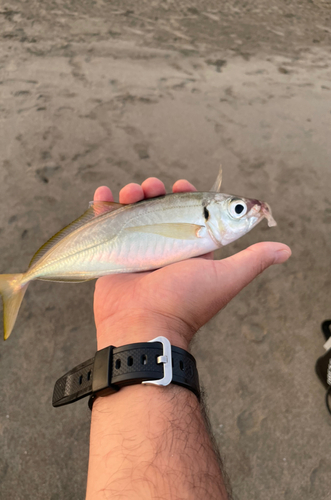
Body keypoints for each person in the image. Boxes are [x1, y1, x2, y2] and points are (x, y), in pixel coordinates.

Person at [85, 177, 292, 499]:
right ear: (207, 216)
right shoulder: (203, 223)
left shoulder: (206, 225)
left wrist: (141, 321)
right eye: (239, 210)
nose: (249, 212)